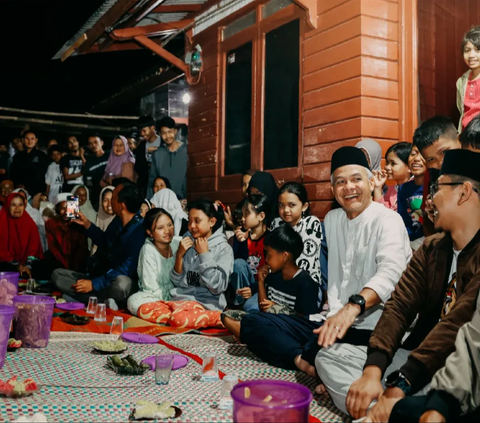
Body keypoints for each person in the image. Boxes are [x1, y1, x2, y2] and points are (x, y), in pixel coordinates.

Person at [240, 147, 411, 376]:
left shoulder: (389, 221)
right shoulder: (332, 219)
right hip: (330, 321)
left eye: (356, 179)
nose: (349, 187)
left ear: (371, 183)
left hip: (372, 326)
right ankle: (303, 361)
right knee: (252, 322)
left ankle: (314, 358)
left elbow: (391, 273)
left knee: (322, 351)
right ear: (332, 189)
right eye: (341, 182)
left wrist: (354, 306)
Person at [340, 149, 480, 422]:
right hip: (415, 356)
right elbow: (399, 306)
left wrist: (401, 384)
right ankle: (379, 408)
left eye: (438, 189)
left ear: (464, 192)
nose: (430, 200)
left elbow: (459, 324)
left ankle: (389, 408)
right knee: (330, 358)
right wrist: (373, 369)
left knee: (421, 403)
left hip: (454, 367)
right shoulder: (432, 247)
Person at [137, 199, 234, 328]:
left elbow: (218, 287)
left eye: (197, 221)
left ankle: (219, 317)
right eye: (189, 221)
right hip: (181, 300)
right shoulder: (187, 239)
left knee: (179, 319)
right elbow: (177, 281)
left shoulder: (224, 249)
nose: (192, 226)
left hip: (205, 304)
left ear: (212, 221)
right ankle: (179, 316)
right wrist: (179, 255)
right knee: (143, 309)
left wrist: (204, 255)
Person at [52, 179, 145, 308]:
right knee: (58, 275)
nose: (111, 201)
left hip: (118, 280)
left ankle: (90, 299)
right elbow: (104, 241)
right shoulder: (118, 221)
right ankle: (101, 300)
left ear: (121, 205)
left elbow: (125, 269)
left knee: (122, 284)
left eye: (113, 198)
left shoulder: (139, 231)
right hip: (102, 276)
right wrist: (87, 224)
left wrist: (94, 284)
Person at [390, 291, 480, 423]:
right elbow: (474, 339)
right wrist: (441, 403)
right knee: (402, 409)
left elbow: (456, 324)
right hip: (426, 353)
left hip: (443, 359)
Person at [223, 225, 320, 336]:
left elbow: (307, 321)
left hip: (290, 331)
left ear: (285, 256)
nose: (267, 259)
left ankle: (251, 337)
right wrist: (260, 281)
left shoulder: (306, 283)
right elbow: (263, 309)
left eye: (269, 255)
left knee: (272, 311)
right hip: (268, 324)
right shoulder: (273, 275)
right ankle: (254, 337)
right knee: (227, 316)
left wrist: (278, 308)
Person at [271, 182, 324, 299]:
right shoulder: (276, 223)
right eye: (281, 205)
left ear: (304, 206)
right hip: (278, 284)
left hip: (306, 285)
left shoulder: (311, 224)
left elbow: (305, 262)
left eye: (292, 205)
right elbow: (272, 258)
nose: (286, 210)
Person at [127, 208, 181, 316]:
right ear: (150, 233)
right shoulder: (148, 250)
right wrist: (168, 303)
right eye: (160, 228)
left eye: (170, 225)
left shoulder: (178, 243)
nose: (167, 231)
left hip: (178, 296)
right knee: (133, 301)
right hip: (154, 299)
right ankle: (173, 314)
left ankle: (169, 315)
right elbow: (151, 288)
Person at [412, 116, 461, 233]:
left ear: (459, 140)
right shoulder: (431, 177)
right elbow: (428, 230)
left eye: (444, 152)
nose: (441, 163)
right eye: (431, 160)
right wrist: (434, 217)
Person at [229, 194, 271, 310]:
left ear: (261, 216)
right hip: (242, 289)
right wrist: (241, 243)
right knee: (238, 263)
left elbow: (272, 274)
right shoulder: (241, 237)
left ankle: (245, 307)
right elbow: (236, 268)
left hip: (261, 288)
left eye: (247, 214)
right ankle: (239, 303)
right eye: (242, 214)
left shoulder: (270, 239)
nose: (242, 218)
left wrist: (254, 289)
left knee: (252, 308)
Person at [0, 193, 43, 278]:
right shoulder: (2, 224)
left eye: (20, 205)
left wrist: (27, 265)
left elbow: (34, 249)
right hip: (7, 264)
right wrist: (17, 265)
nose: (17, 208)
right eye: (13, 205)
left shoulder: (30, 224)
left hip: (28, 264)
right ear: (8, 206)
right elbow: (2, 252)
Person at [43, 193, 89, 273]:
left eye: (69, 208)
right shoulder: (51, 224)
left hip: (77, 263)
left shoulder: (78, 224)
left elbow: (81, 249)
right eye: (62, 208)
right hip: (57, 262)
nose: (66, 212)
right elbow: (53, 247)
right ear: (57, 209)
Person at [147, 116, 188, 200]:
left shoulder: (186, 150)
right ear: (160, 134)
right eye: (164, 133)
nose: (167, 136)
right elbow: (152, 180)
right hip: (162, 200)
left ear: (175, 131)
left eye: (170, 132)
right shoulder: (157, 154)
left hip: (182, 199)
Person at [397, 145, 426, 250]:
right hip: (410, 241)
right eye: (413, 154)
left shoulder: (436, 185)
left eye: (422, 154)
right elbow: (402, 219)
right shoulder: (403, 189)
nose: (416, 158)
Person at [373, 142, 412, 211]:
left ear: (409, 167)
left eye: (393, 163)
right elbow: (380, 213)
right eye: (387, 163)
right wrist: (378, 187)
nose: (387, 167)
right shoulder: (391, 190)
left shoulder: (415, 190)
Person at [10, 130, 48, 197]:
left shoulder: (42, 156)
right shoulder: (17, 156)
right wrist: (19, 185)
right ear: (23, 140)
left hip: (36, 192)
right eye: (27, 138)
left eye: (32, 139)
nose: (29, 141)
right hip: (20, 191)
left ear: (36, 140)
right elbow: (14, 173)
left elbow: (41, 173)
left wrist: (27, 186)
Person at [457, 26, 480, 132]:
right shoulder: (461, 82)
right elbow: (462, 112)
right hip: (466, 137)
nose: (471, 55)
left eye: (477, 50)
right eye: (467, 50)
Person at [135, 115, 161, 195]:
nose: (142, 134)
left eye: (144, 131)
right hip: (145, 187)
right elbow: (138, 167)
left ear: (152, 128)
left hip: (161, 186)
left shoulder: (162, 143)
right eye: (140, 131)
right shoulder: (141, 146)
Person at [84, 134, 108, 210]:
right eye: (90, 143)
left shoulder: (110, 156)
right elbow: (88, 181)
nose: (93, 145)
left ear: (102, 142)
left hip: (111, 194)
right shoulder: (89, 161)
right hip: (96, 198)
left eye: (95, 142)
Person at [90, 185, 115, 256]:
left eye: (112, 200)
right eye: (105, 200)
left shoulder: (121, 222)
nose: (109, 204)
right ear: (100, 203)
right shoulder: (94, 219)